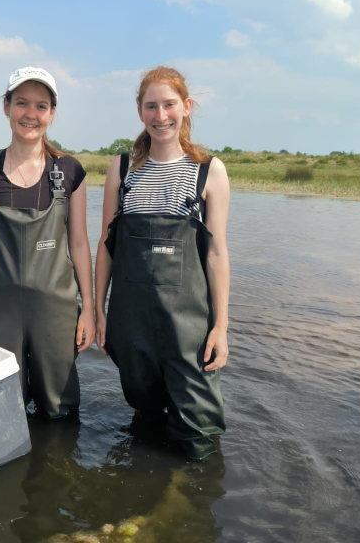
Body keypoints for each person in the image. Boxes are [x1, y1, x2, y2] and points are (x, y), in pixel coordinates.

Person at [94, 66, 230, 459]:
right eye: (151, 106)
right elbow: (106, 245)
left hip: (188, 328)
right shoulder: (122, 170)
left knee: (197, 436)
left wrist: (220, 326)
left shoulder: (209, 171)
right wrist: (100, 312)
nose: (161, 116)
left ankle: (188, 504)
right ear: (140, 112)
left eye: (169, 105)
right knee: (146, 421)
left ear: (186, 107)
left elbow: (217, 253)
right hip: (131, 322)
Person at [0, 66, 94, 418]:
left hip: (57, 313)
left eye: (41, 106)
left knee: (59, 409)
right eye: (22, 103)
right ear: (6, 107)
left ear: (52, 113)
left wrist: (89, 308)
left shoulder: (69, 172)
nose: (31, 114)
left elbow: (79, 244)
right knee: (1, 406)